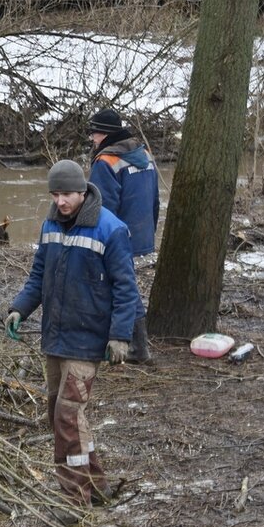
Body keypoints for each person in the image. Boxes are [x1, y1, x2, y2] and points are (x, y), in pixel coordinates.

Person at [4, 160, 140, 520]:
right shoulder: (50, 225)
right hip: (55, 337)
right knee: (58, 415)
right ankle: (94, 483)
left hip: (88, 339)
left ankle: (75, 497)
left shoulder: (111, 230)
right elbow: (38, 276)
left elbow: (127, 290)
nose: (60, 201)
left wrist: (119, 337)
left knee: (68, 415)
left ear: (82, 191)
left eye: (65, 194)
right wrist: (20, 308)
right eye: (54, 194)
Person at [87, 108, 159, 362]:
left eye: (94, 133)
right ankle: (132, 344)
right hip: (140, 231)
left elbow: (102, 207)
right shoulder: (145, 155)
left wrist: (97, 240)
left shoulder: (105, 161)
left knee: (118, 284)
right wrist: (150, 231)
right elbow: (155, 198)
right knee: (124, 283)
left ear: (103, 134)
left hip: (115, 235)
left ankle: (137, 348)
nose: (92, 139)